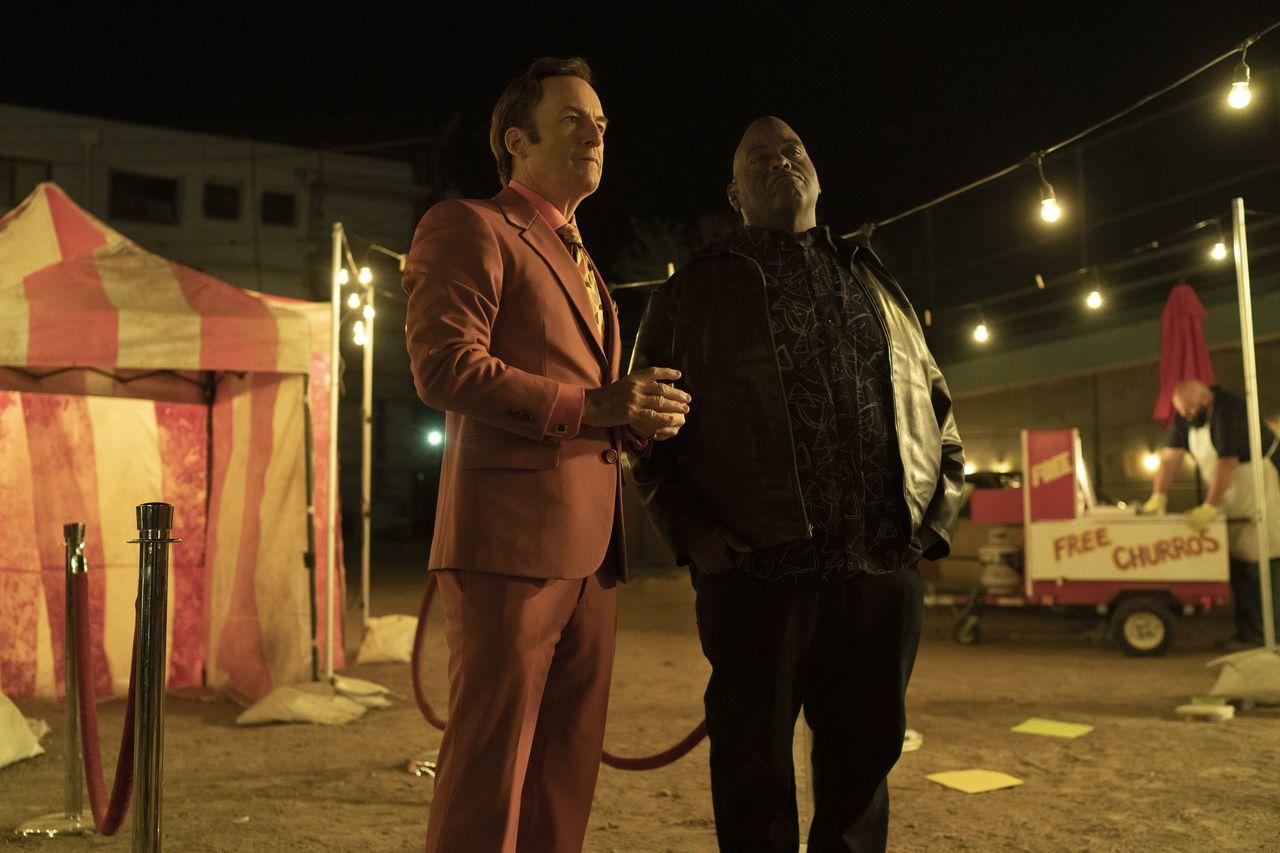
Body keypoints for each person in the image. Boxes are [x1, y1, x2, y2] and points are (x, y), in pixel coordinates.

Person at [630, 116, 965, 853]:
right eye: (759, 156)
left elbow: (937, 410)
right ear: (734, 193)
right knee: (753, 771)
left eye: (794, 151)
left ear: (817, 174)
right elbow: (644, 435)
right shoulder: (691, 294)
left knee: (862, 771)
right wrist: (695, 534)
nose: (781, 161)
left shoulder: (876, 280)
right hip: (757, 575)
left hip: (879, 570)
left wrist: (932, 521)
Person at [401, 57, 691, 853]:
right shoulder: (469, 225)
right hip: (508, 546)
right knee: (489, 773)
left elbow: (592, 399)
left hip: (593, 553)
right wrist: (595, 406)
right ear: (516, 140)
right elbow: (444, 367)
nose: (595, 134)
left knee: (564, 774)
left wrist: (636, 419)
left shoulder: (584, 262)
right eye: (573, 119)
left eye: (601, 123)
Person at [1144, 378, 1280, 648]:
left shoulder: (1231, 409)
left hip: (1258, 490)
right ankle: (1248, 634)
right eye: (1183, 413)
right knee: (1239, 568)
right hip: (1230, 498)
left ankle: (1266, 636)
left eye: (1190, 411)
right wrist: (1158, 495)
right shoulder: (1187, 416)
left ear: (1204, 400)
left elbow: (1226, 463)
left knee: (1261, 565)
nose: (1187, 417)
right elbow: (1169, 457)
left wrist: (1210, 506)